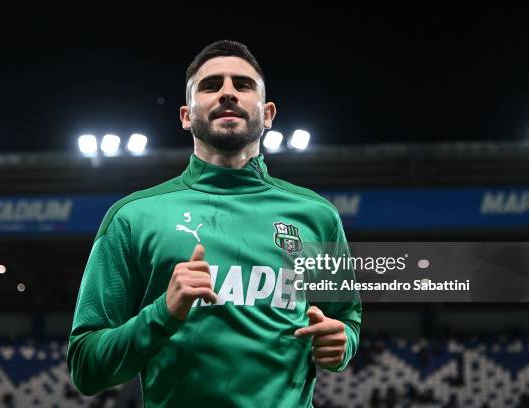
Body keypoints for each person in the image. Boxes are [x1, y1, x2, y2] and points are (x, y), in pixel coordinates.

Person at [67, 40, 362, 407]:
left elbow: (346, 318)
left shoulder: (318, 216)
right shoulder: (132, 217)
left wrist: (342, 343)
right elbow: (85, 368)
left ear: (268, 114)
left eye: (242, 84)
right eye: (211, 86)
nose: (227, 93)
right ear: (186, 116)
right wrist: (162, 314)